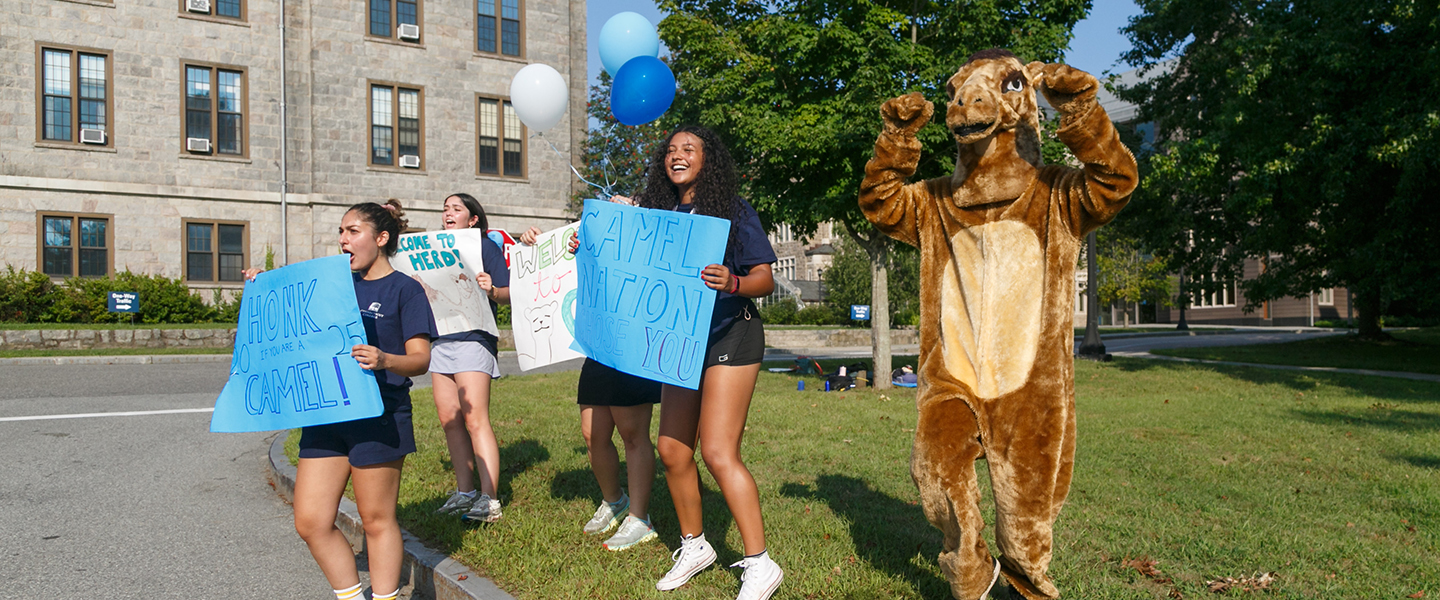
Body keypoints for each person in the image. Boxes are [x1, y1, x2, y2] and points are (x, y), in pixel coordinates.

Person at [603, 125, 783, 600]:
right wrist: (594, 247)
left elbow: (765, 277)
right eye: (671, 150)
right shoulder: (656, 217)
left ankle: (761, 564)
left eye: (689, 149)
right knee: (672, 451)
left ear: (709, 160)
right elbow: (626, 263)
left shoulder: (733, 212)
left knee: (718, 452)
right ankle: (695, 545)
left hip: (732, 334)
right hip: (679, 341)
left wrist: (733, 283)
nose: (676, 156)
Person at [245, 199, 437, 600]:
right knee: (311, 521)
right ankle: (351, 596)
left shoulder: (405, 289)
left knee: (376, 519)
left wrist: (386, 359)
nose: (342, 239)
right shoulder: (330, 282)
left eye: (352, 231)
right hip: (326, 412)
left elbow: (420, 359)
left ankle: (385, 597)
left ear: (381, 238)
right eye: (340, 231)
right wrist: (266, 288)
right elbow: (293, 314)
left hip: (379, 413)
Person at [517, 224, 664, 552]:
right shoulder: (592, 241)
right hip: (598, 347)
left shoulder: (647, 234)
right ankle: (615, 501)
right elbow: (557, 265)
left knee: (632, 434)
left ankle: (641, 519)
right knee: (592, 434)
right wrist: (533, 243)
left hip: (632, 347)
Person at [427, 193, 513, 524]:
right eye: (445, 208)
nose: (448, 213)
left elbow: (508, 293)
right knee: (449, 419)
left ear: (472, 219)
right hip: (440, 341)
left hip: (473, 338)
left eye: (456, 209)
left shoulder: (484, 247)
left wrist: (492, 290)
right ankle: (465, 493)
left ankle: (489, 499)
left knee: (475, 419)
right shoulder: (432, 251)